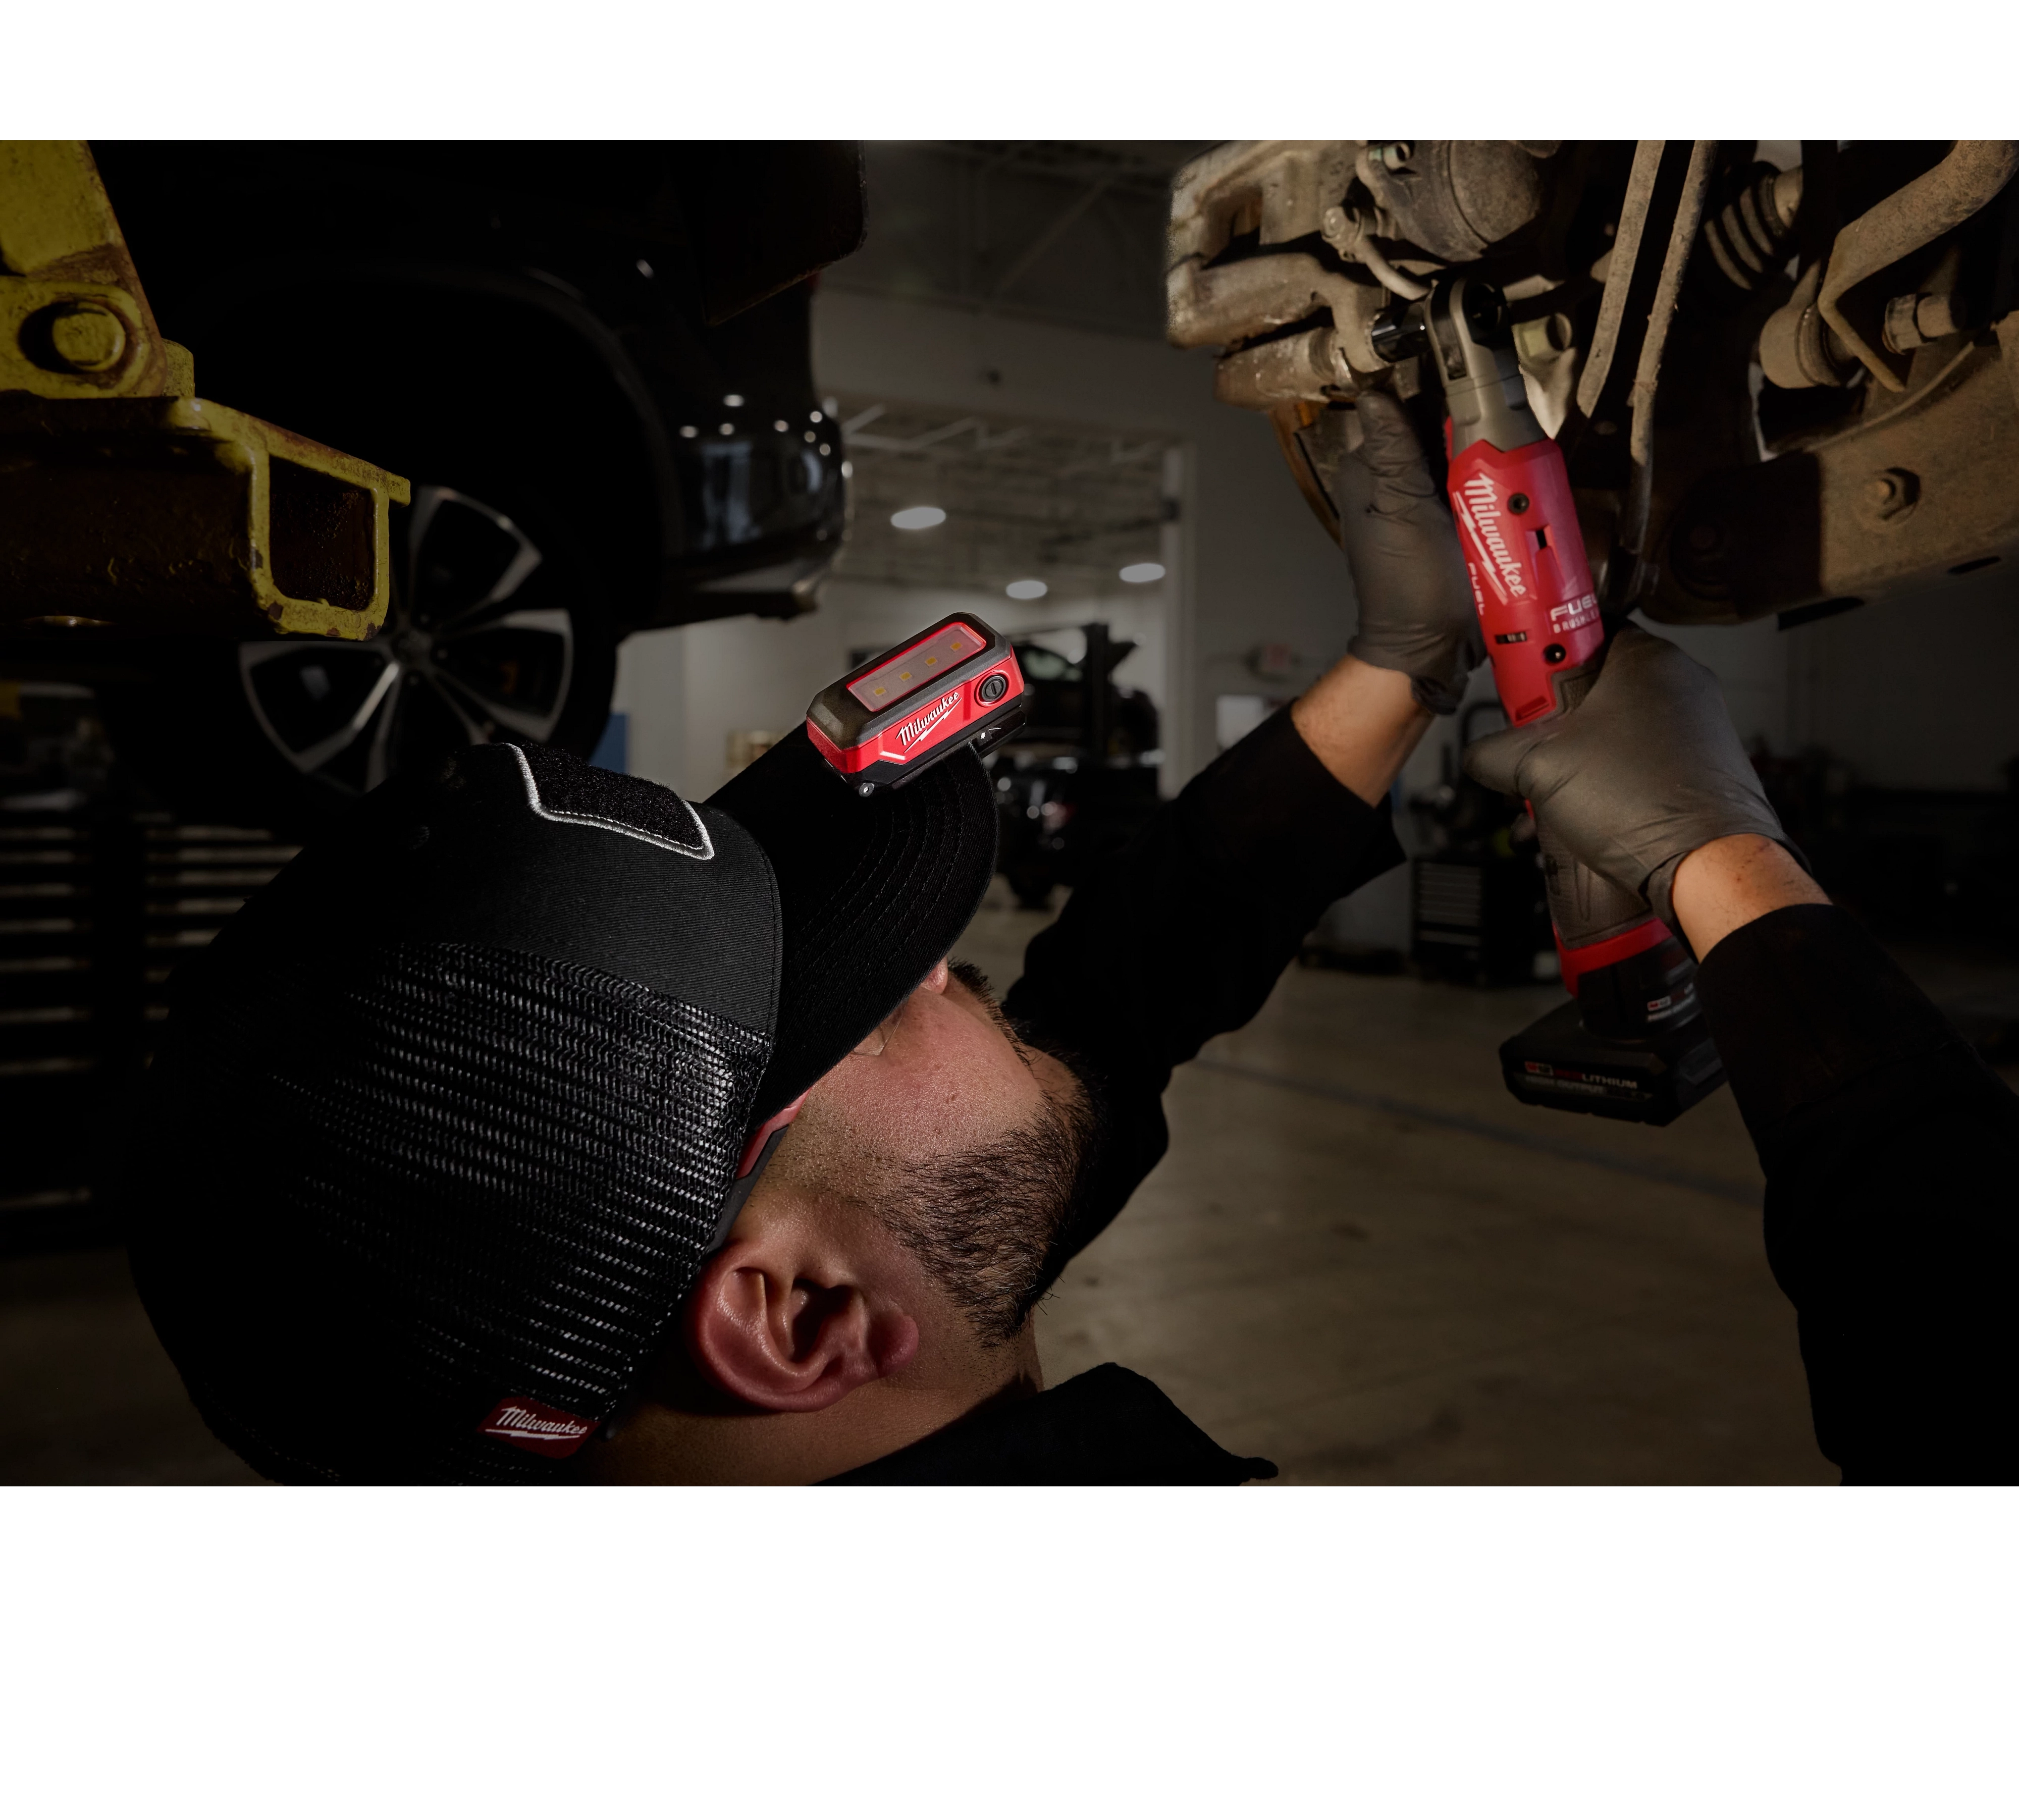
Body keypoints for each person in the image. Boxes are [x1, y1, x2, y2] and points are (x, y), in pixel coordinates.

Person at [129, 396, 2012, 1485]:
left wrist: (1398, 669)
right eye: (876, 1001)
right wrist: (1736, 874)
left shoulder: (794, 1365)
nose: (953, 971)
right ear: (795, 1319)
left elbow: (1113, 1011)